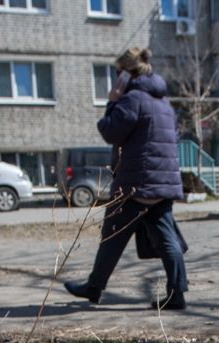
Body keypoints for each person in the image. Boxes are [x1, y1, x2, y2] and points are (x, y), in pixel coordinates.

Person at [65, 47, 188, 310]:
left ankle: (94, 287)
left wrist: (112, 101)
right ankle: (177, 293)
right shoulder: (163, 102)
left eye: (117, 73)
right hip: (162, 184)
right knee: (167, 239)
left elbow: (110, 131)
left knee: (112, 236)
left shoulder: (133, 99)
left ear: (124, 74)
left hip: (137, 184)